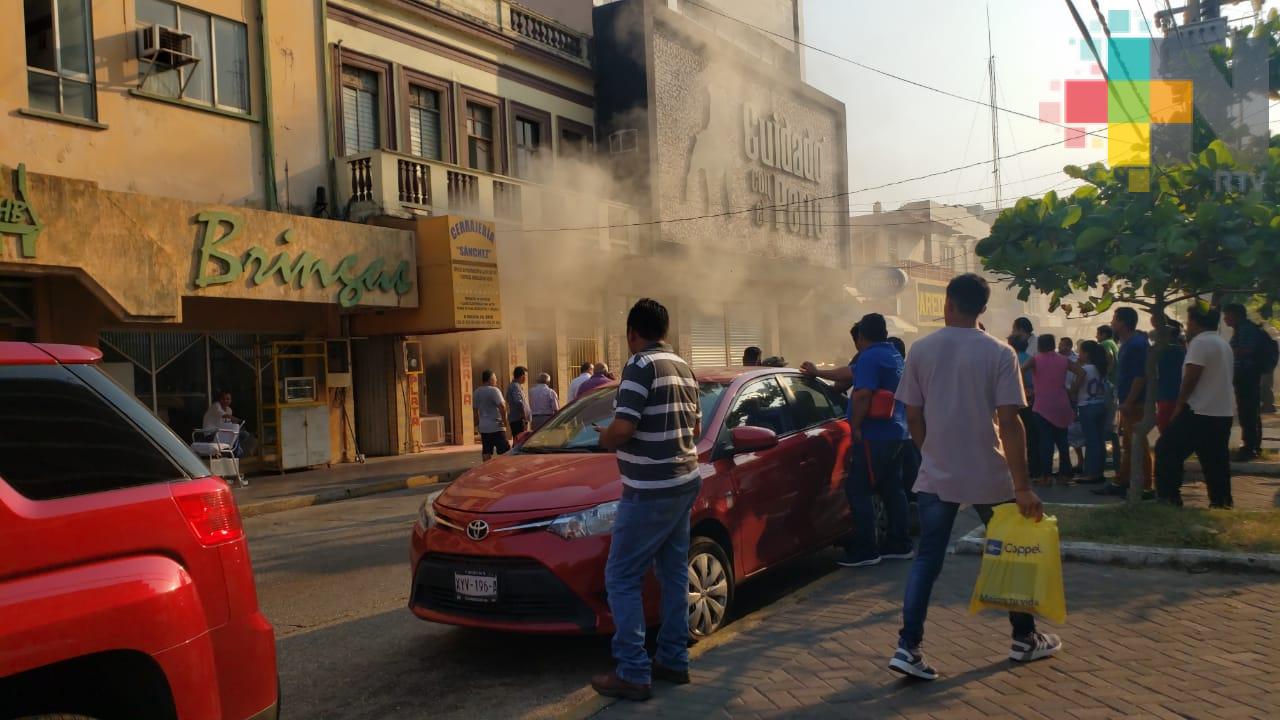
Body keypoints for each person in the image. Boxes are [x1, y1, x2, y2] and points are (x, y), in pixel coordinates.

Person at [890, 273, 1057, 681]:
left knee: (927, 560)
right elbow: (1010, 423)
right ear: (983, 308)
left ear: (947, 304)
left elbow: (913, 416)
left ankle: (908, 646)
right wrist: (1022, 486)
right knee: (1009, 554)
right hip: (989, 473)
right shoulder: (1000, 353)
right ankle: (1024, 637)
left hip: (936, 475)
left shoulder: (921, 350)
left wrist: (931, 452)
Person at [590, 299, 701, 701]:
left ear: (632, 333)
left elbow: (623, 428)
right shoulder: (683, 366)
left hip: (650, 488)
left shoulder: (640, 365)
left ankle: (634, 671)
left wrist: (605, 437)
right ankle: (673, 658)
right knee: (673, 573)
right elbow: (695, 427)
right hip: (683, 480)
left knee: (621, 576)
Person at [803, 314, 912, 567]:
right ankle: (900, 544)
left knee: (858, 489)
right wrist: (818, 372)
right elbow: (849, 372)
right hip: (897, 432)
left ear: (861, 336)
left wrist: (856, 426)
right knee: (892, 489)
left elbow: (862, 395)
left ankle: (866, 550)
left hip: (875, 435)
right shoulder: (891, 354)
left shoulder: (870, 357)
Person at [1155, 305, 1235, 507]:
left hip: (1199, 410)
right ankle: (1222, 501)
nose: (1187, 324)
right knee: (1215, 460)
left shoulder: (1200, 342)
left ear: (1196, 321)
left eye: (1189, 320)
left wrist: (1180, 404)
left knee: (1166, 449)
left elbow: (1191, 376)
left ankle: (1169, 497)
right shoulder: (1222, 343)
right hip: (1221, 411)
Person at [1095, 307, 1153, 497]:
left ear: (1123, 322)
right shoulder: (1128, 343)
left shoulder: (1136, 344)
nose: (1112, 322)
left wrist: (1128, 401)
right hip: (1130, 401)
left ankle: (1145, 485)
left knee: (1138, 444)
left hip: (1135, 403)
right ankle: (1123, 480)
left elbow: (1140, 376)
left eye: (1114, 319)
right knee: (1129, 445)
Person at [1023, 334, 1085, 486]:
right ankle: (1065, 475)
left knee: (1045, 442)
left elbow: (1018, 371)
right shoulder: (1063, 359)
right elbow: (1081, 372)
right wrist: (1073, 390)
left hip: (1042, 406)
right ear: (1053, 345)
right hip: (1062, 404)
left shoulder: (1035, 359)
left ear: (1039, 346)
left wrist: (1026, 389)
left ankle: (1046, 476)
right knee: (1062, 441)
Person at [1224, 304, 1266, 460]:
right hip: (1246, 374)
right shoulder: (1242, 328)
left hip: (1247, 374)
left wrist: (1227, 351)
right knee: (1250, 411)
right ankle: (1253, 445)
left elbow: (1247, 350)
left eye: (1227, 315)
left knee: (1247, 411)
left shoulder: (1245, 329)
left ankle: (1249, 448)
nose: (1225, 319)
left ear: (1236, 315)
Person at [1075, 341, 1110, 484]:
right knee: (1099, 440)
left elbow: (1076, 386)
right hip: (1100, 404)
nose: (1078, 354)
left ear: (1087, 354)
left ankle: (1091, 473)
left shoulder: (1085, 369)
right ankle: (1099, 471)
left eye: (1080, 351)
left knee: (1091, 441)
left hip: (1087, 406)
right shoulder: (1100, 368)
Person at [1009, 334, 1040, 479]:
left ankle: (1020, 469)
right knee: (1032, 436)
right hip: (1032, 400)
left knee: (1017, 436)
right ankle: (1035, 467)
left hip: (1016, 402)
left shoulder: (1011, 359)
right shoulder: (1031, 358)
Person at [1154, 320, 1187, 434]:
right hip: (1172, 394)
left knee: (1166, 429)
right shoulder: (1181, 348)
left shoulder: (1169, 349)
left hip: (1168, 395)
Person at [474, 370, 510, 461]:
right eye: (495, 378)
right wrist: (505, 422)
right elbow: (502, 407)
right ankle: (505, 467)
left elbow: (475, 409)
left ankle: (486, 467)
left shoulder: (477, 392)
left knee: (486, 450)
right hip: (496, 426)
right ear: (490, 379)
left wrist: (477, 423)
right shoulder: (494, 390)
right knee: (505, 451)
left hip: (484, 427)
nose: (496, 380)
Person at [202, 390, 246, 457]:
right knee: (235, 434)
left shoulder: (229, 410)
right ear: (220, 399)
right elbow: (224, 415)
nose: (225, 401)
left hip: (221, 433)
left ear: (231, 400)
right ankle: (235, 454)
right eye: (223, 399)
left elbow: (227, 423)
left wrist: (235, 423)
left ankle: (232, 453)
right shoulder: (216, 405)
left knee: (243, 434)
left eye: (228, 399)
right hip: (211, 434)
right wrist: (237, 420)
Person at [507, 367, 530, 437]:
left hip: (518, 419)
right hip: (519, 420)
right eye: (525, 376)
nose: (526, 378)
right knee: (520, 439)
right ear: (522, 376)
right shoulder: (515, 386)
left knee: (519, 439)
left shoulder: (516, 386)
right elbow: (519, 403)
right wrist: (524, 418)